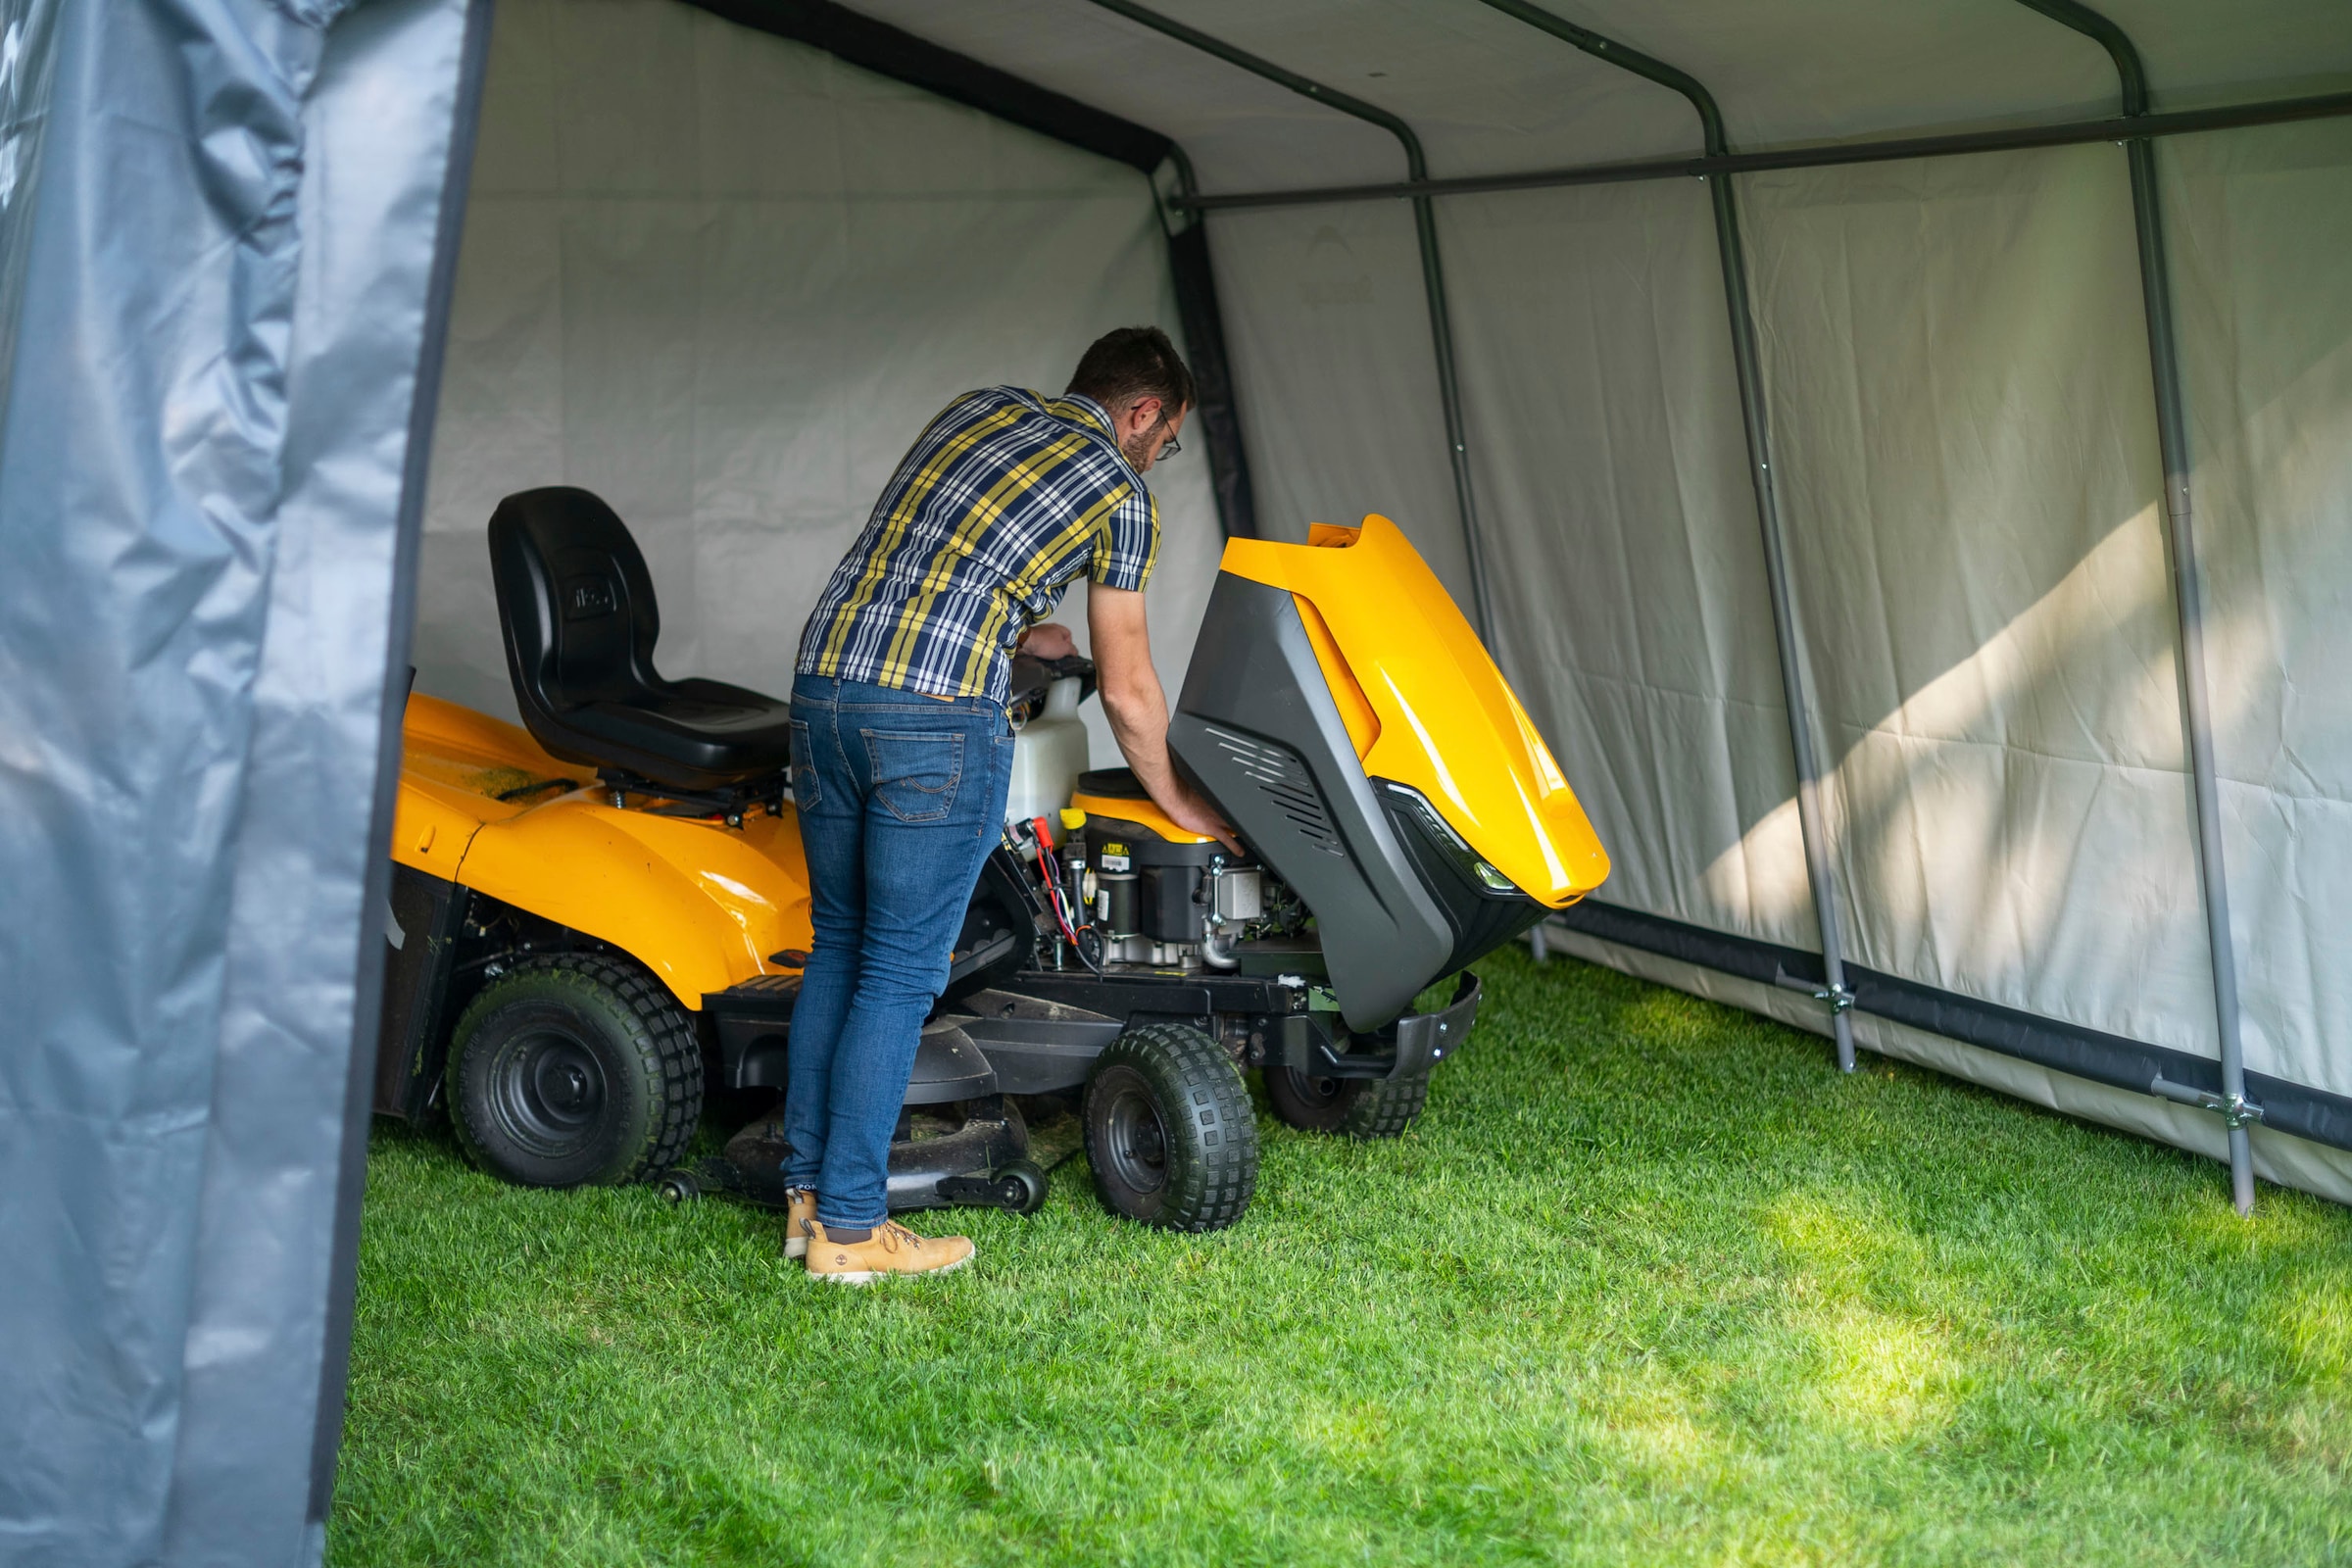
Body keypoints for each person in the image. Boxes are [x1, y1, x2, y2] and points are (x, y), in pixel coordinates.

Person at [781, 326, 1237, 1283]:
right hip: (934, 718)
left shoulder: (979, 408)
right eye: (1168, 437)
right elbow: (1128, 690)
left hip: (825, 687)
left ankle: (808, 1199)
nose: (1160, 455)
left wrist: (1025, 623)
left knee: (839, 943)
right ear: (1144, 411)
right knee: (901, 970)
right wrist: (1183, 802)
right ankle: (854, 1230)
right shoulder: (1120, 490)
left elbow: (930, 561)